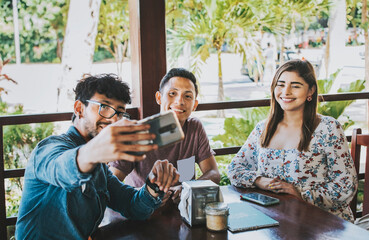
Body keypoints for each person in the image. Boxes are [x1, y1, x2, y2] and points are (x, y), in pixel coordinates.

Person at [15, 74, 179, 239]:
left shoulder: (100, 168)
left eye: (120, 113)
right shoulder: (48, 149)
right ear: (79, 109)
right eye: (104, 107)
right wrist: (93, 152)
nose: (114, 119)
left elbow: (132, 205)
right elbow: (62, 169)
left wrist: (153, 185)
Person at [227, 59, 358, 222]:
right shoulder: (264, 129)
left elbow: (346, 186)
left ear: (310, 91)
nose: (286, 92)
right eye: (280, 84)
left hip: (323, 223)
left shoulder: (328, 128)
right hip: (275, 219)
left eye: (295, 86)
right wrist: (259, 181)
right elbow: (234, 169)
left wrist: (300, 193)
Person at [109, 68, 220, 203]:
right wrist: (149, 194)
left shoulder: (194, 128)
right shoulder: (139, 133)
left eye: (188, 96)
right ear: (159, 98)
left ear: (194, 104)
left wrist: (187, 187)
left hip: (182, 211)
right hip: (143, 213)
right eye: (172, 93)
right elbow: (112, 184)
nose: (180, 101)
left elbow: (213, 173)